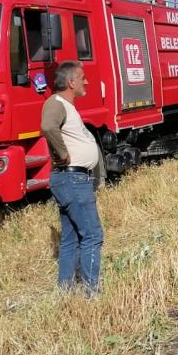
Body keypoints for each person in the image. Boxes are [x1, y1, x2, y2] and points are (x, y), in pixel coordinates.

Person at [41, 61, 106, 294]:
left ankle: (65, 290)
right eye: (83, 77)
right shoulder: (56, 103)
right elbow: (48, 127)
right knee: (93, 235)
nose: (86, 81)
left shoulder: (66, 106)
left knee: (71, 237)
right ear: (71, 82)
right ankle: (92, 293)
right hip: (73, 180)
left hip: (73, 180)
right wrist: (63, 153)